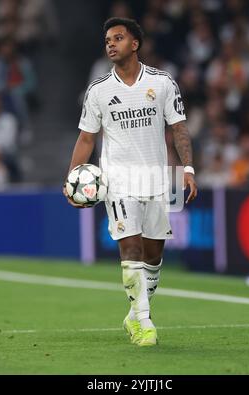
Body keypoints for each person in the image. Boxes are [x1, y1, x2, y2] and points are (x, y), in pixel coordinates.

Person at [63, 17, 197, 347]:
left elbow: (178, 128)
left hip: (155, 178)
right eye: (107, 39)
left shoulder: (163, 83)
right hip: (118, 179)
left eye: (118, 38)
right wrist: (73, 178)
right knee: (131, 247)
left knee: (153, 257)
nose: (110, 43)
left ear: (134, 44)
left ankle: (135, 311)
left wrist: (189, 169)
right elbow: (86, 139)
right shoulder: (98, 91)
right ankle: (144, 322)